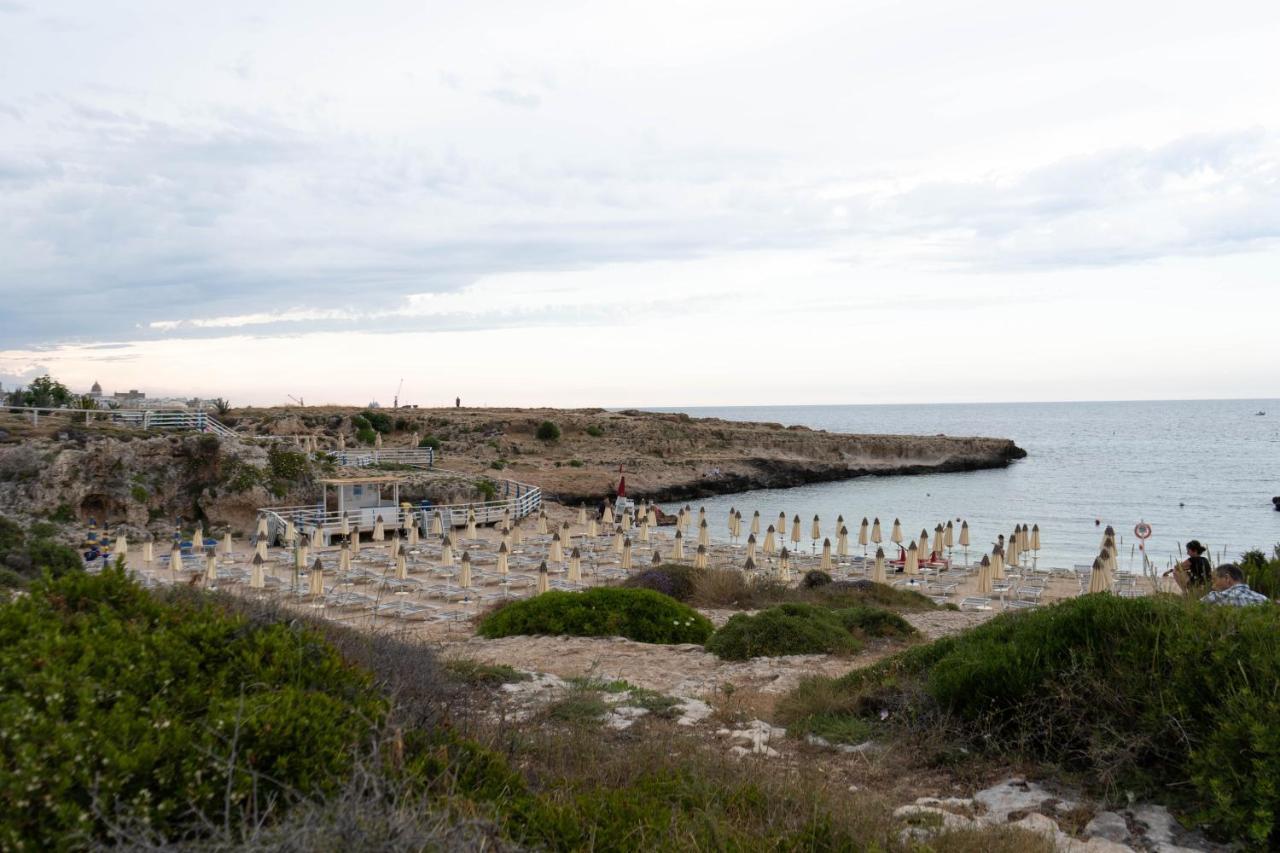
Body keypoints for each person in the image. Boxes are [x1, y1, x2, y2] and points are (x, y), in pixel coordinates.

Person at [1200, 564, 1270, 607]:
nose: (1212, 585)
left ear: (1227, 578)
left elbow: (1193, 611)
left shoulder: (1216, 597)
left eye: (1214, 579)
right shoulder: (1263, 599)